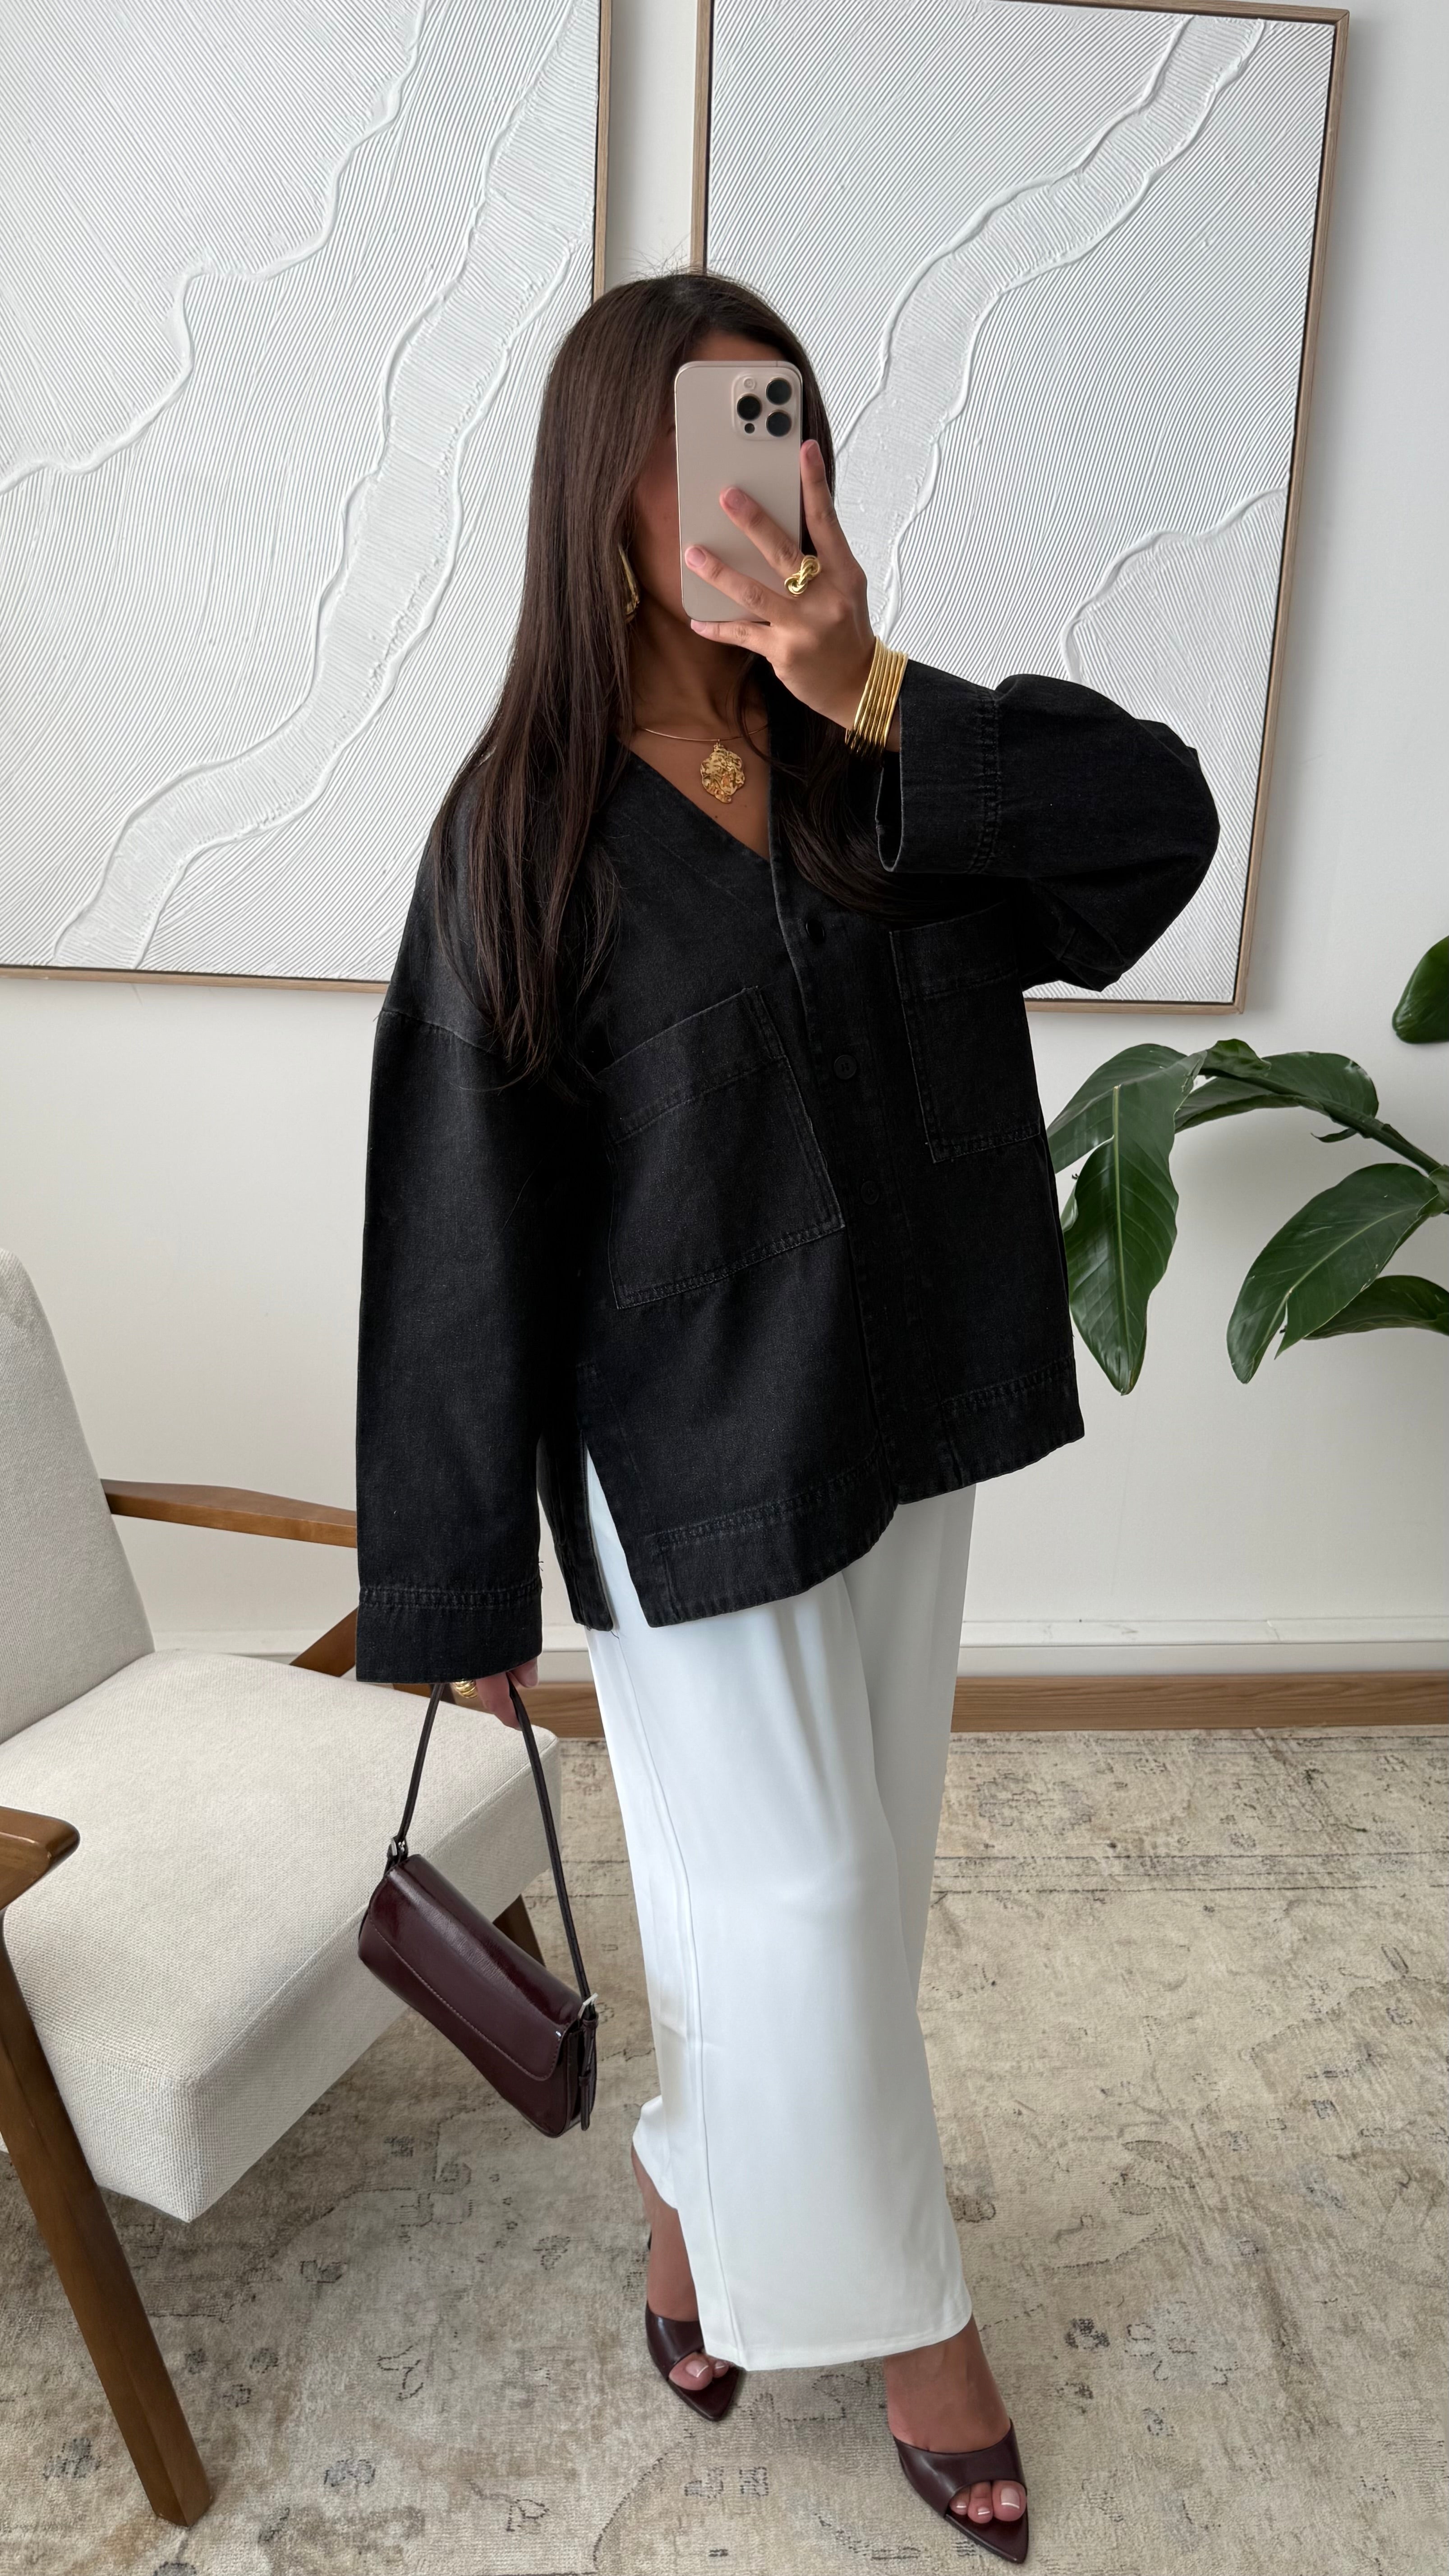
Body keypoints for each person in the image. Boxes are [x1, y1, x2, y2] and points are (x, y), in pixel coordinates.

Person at [353, 271, 1219, 2561]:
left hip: (904, 1414)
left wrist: (872, 682)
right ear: (606, 496)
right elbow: (456, 1226)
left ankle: (688, 2212)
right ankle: (922, 2338)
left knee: (833, 1901)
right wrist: (454, 1587)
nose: (775, 474)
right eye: (721, 436)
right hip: (684, 1467)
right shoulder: (518, 835)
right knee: (808, 1908)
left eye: (794, 425)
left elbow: (1159, 833)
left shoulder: (876, 764)